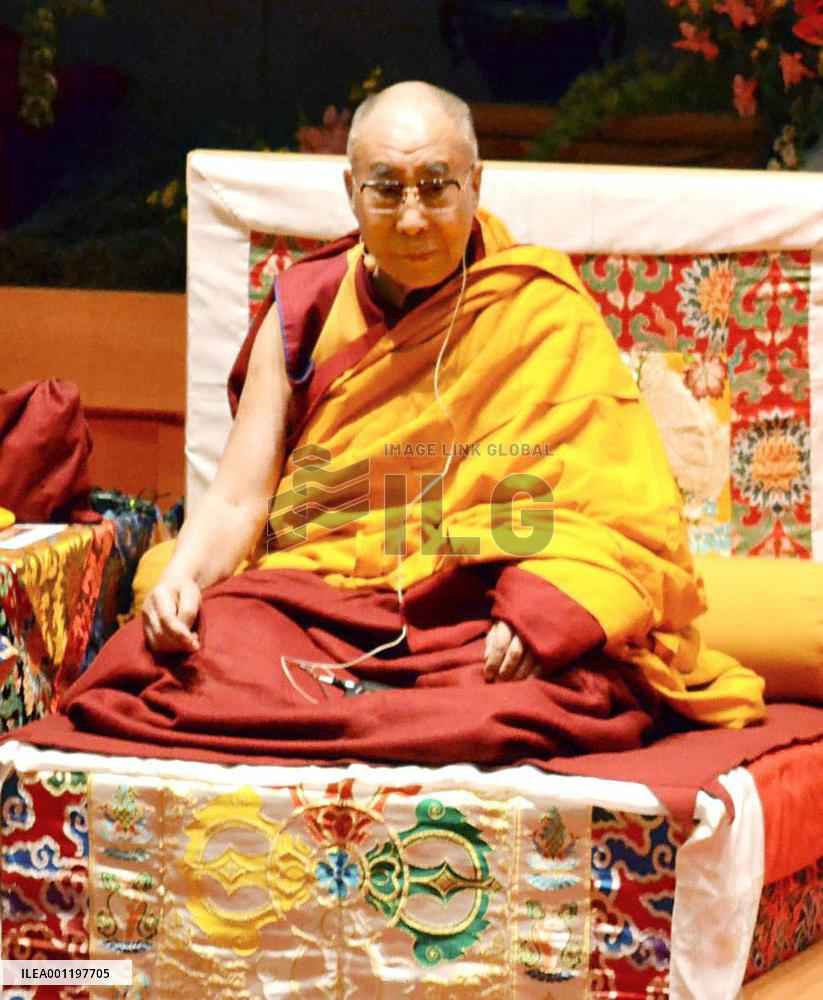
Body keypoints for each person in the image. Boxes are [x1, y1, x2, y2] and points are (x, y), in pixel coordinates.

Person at [24, 82, 765, 766]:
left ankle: (338, 716)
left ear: (476, 184)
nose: (412, 218)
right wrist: (182, 581)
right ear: (351, 193)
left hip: (470, 613)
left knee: (563, 679)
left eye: (437, 187)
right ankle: (374, 714)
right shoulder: (307, 305)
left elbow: (616, 513)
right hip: (323, 605)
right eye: (386, 190)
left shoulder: (540, 310)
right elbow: (241, 501)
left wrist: (549, 608)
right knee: (179, 651)